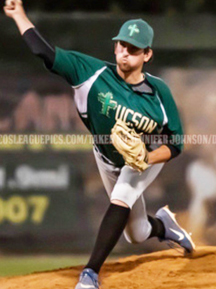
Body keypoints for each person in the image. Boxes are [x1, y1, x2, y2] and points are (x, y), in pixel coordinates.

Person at [4, 1, 195, 288]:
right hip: (105, 158)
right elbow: (44, 52)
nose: (124, 52)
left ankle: (90, 273)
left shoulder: (159, 93)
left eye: (133, 48)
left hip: (144, 158)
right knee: (137, 233)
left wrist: (147, 158)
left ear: (147, 54)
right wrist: (19, 15)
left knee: (122, 196)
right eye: (121, 45)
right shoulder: (90, 74)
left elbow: (176, 143)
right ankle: (163, 225)